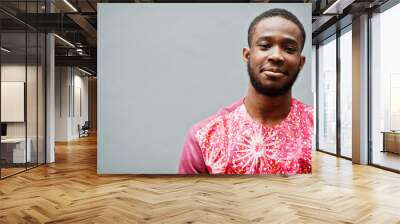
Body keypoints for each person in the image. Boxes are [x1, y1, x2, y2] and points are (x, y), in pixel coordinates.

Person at [178, 8, 313, 174]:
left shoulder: (319, 133)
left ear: (301, 62)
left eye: (289, 49)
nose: (276, 56)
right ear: (247, 55)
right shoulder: (203, 137)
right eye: (265, 46)